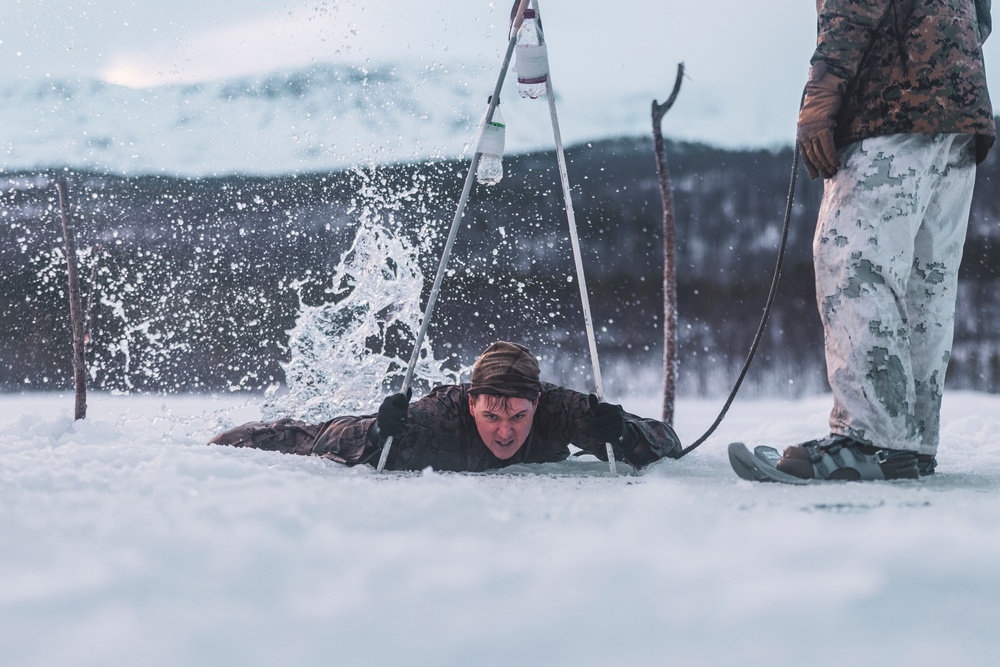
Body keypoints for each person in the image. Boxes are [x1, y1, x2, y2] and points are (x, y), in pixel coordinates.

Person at [779, 0, 995, 480]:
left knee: (854, 261)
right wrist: (939, 57)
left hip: (891, 105)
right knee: (926, 281)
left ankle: (870, 437)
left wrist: (822, 92)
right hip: (959, 109)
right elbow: (981, 17)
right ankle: (907, 443)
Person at [209, 341, 682, 472]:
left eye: (518, 416)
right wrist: (376, 432)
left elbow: (667, 441)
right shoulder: (435, 419)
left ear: (537, 403)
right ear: (471, 402)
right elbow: (322, 437)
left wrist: (621, 434)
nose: (505, 432)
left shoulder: (562, 409)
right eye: (492, 416)